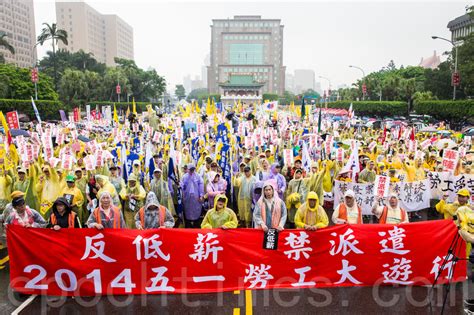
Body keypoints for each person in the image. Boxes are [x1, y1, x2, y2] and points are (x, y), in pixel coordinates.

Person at [180, 163, 204, 228]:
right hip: (187, 198)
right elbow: (181, 185)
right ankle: (188, 225)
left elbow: (201, 186)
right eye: (190, 169)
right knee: (187, 211)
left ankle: (196, 225)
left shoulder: (198, 176)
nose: (192, 171)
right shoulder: (184, 177)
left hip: (196, 198)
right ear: (187, 169)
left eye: (193, 169)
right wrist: (182, 186)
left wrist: (201, 195)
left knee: (196, 211)